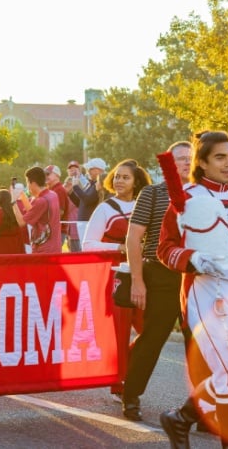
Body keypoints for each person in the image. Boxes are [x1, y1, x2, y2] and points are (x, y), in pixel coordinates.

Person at [157, 130, 228, 449]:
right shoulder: (187, 197)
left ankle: (179, 419)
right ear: (202, 163)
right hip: (204, 295)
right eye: (219, 157)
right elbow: (164, 248)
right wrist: (194, 259)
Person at [121, 141, 191, 421]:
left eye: (190, 158)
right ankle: (131, 395)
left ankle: (200, 410)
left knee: (198, 344)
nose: (186, 163)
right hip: (160, 274)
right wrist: (138, 281)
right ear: (169, 164)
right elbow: (133, 238)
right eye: (180, 159)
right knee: (152, 338)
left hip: (196, 277)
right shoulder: (152, 193)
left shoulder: (203, 195)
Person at [82, 159, 151, 403]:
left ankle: (127, 370)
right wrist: (121, 246)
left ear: (137, 181)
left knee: (151, 331)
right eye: (117, 176)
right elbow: (87, 244)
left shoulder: (147, 204)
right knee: (120, 332)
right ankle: (119, 383)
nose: (120, 181)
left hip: (146, 274)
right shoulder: (105, 208)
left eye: (126, 177)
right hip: (118, 277)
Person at [12, 166, 62, 254]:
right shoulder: (53, 194)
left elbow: (21, 222)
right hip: (54, 247)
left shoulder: (41, 201)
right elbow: (33, 211)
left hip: (43, 249)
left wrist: (13, 202)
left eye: (27, 182)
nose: (27, 186)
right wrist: (22, 196)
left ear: (33, 183)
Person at [70, 157, 107, 221]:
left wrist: (76, 187)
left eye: (91, 169)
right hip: (84, 222)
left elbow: (88, 200)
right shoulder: (91, 184)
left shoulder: (100, 185)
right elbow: (81, 203)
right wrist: (71, 193)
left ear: (99, 170)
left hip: (90, 222)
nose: (88, 171)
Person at [44, 165, 69, 250]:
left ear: (57, 175)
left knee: (52, 257)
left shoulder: (59, 190)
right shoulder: (52, 189)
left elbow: (60, 212)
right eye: (45, 174)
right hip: (54, 230)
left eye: (48, 174)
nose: (46, 176)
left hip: (57, 231)